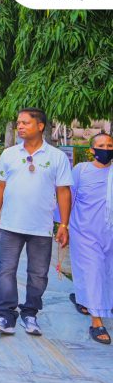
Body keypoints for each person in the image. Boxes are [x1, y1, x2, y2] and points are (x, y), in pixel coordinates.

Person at [0, 108, 72, 336]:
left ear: (40, 126)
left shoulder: (56, 157)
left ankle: (30, 314)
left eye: (25, 122)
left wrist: (64, 225)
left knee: (38, 274)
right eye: (18, 123)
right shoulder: (9, 154)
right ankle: (5, 316)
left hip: (41, 227)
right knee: (6, 270)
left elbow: (63, 191)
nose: (20, 126)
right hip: (10, 225)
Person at [69, 132, 113, 344]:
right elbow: (68, 197)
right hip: (84, 232)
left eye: (110, 145)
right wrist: (62, 226)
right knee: (93, 271)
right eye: (101, 146)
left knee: (105, 273)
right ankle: (97, 322)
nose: (106, 149)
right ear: (92, 150)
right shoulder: (81, 170)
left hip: (109, 232)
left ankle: (84, 299)